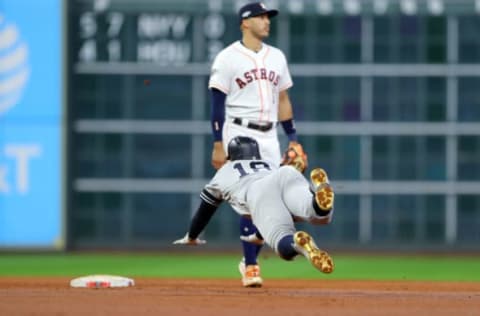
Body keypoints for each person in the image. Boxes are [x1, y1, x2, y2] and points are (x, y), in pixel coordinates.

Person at [208, 1, 305, 287]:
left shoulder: (277, 57)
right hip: (239, 132)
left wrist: (293, 139)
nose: (266, 21)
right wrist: (217, 143)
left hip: (269, 135)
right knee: (253, 202)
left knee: (275, 202)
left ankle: (249, 258)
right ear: (244, 23)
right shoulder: (227, 58)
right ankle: (251, 265)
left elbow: (284, 101)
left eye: (268, 17)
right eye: (260, 17)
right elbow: (216, 104)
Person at [173, 136, 335, 276]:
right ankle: (318, 193)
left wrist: (192, 236)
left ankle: (297, 244)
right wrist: (257, 236)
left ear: (231, 156)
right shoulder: (268, 163)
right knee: (319, 215)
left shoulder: (223, 172)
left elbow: (205, 211)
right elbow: (274, 205)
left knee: (282, 240)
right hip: (285, 172)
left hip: (257, 191)